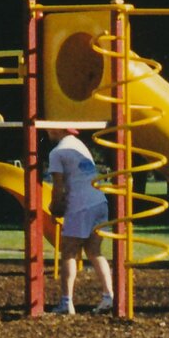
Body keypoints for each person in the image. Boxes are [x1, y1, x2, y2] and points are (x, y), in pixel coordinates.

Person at [47, 128, 115, 315]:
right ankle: (109, 296)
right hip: (100, 202)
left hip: (80, 205)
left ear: (56, 129)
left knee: (68, 252)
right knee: (94, 251)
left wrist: (55, 207)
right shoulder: (80, 146)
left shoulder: (57, 152)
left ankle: (66, 302)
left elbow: (58, 186)